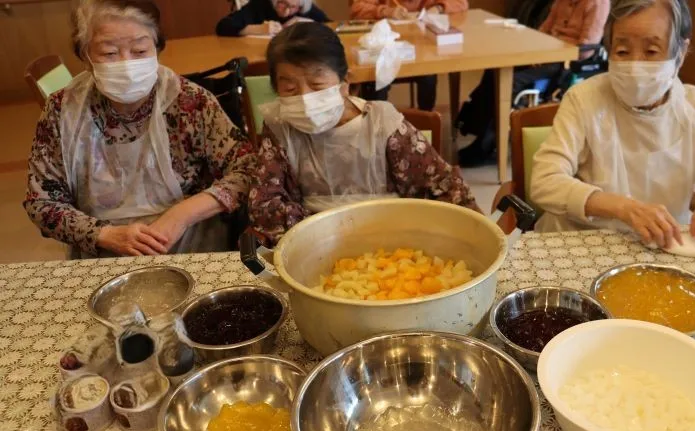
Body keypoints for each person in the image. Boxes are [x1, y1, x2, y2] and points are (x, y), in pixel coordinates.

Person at [529, 0, 695, 247]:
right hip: (582, 243)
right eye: (622, 51)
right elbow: (545, 181)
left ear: (680, 53)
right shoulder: (583, 99)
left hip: (664, 246)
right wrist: (624, 208)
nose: (634, 65)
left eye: (651, 51)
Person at [25, 0, 258, 258]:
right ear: (85, 56)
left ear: (157, 48)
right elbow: (41, 202)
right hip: (105, 255)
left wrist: (180, 216)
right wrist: (105, 235)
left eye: (139, 50)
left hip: (193, 248)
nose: (126, 64)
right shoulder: (63, 110)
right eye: (110, 53)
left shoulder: (191, 102)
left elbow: (248, 169)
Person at [248, 22, 478, 246]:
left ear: (345, 83)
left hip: (394, 242)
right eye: (290, 89)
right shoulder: (280, 128)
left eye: (317, 85)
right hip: (316, 244)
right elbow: (264, 204)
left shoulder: (382, 126)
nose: (306, 100)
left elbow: (444, 187)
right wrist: (328, 232)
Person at [457, 0, 610, 167]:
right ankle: (475, 125)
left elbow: (587, 48)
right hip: (546, 51)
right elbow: (545, 28)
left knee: (510, 82)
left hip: (566, 61)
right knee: (495, 70)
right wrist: (537, 49)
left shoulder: (598, 3)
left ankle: (487, 146)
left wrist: (550, 54)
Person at [351, 0, 468, 111]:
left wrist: (438, 8)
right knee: (375, 78)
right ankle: (378, 122)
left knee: (428, 74)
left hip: (420, 50)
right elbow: (357, 9)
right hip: (383, 49)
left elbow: (461, 2)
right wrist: (386, 11)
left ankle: (426, 120)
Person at [216, 0, 329, 37]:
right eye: (282, 3)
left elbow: (331, 25)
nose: (286, 11)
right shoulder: (259, 5)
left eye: (292, 7)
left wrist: (309, 24)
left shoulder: (305, 8)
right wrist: (258, 29)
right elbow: (222, 26)